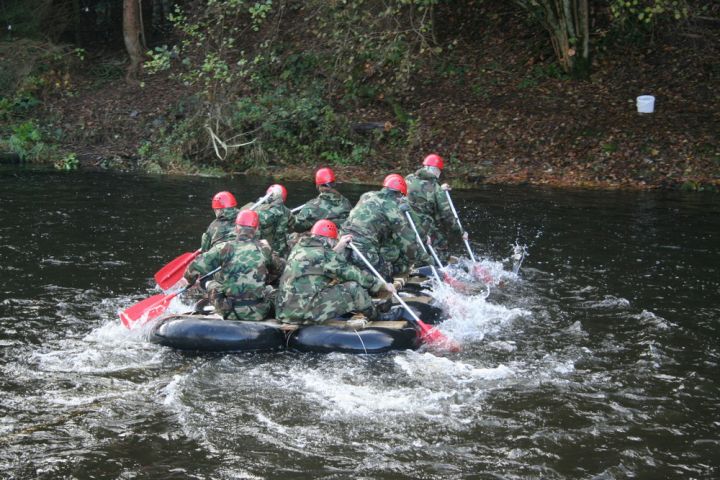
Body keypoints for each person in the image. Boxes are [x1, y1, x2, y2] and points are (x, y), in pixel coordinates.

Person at [275, 219, 394, 325]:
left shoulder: (299, 248)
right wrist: (382, 285)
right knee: (353, 287)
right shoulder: (326, 256)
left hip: (285, 311)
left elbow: (321, 260)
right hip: (303, 313)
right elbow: (354, 274)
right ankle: (377, 316)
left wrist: (338, 248)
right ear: (329, 240)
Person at [184, 209, 284, 321]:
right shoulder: (264, 249)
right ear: (256, 229)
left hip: (229, 311)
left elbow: (192, 269)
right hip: (258, 312)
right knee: (272, 290)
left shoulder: (223, 247)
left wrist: (192, 281)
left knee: (211, 283)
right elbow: (279, 269)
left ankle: (206, 287)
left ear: (236, 228)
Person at [341, 174, 429, 279]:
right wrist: (420, 258)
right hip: (363, 249)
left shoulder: (367, 195)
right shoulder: (394, 210)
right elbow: (409, 243)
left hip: (343, 242)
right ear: (400, 195)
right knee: (387, 273)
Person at [405, 153, 468, 252]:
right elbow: (447, 216)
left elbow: (421, 190)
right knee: (442, 241)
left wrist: (440, 190)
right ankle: (441, 259)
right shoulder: (436, 189)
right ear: (436, 171)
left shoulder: (409, 179)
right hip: (422, 226)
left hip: (405, 222)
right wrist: (461, 232)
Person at [292, 167, 353, 232]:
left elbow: (297, 226)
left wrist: (289, 217)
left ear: (317, 185)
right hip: (341, 235)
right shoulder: (346, 202)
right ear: (334, 184)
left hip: (321, 238)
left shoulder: (313, 205)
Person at [242, 184, 293, 257]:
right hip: (280, 251)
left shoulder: (257, 212)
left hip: (263, 251)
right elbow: (294, 224)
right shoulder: (287, 212)